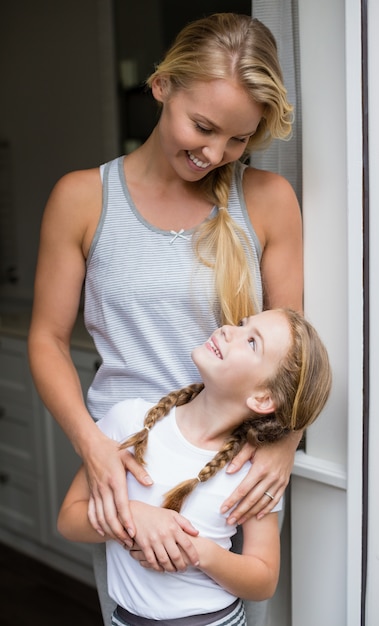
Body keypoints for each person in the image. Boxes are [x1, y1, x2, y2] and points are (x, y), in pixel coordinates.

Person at [28, 12, 304, 626]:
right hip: (128, 475)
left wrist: (283, 446)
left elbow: (294, 354)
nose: (214, 155)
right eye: (202, 127)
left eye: (237, 140)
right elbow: (46, 340)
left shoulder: (266, 201)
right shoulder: (82, 198)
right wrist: (93, 445)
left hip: (232, 478)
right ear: (161, 86)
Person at [58, 309, 332, 626]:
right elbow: (69, 519)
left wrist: (198, 551)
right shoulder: (127, 422)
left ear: (262, 398)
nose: (230, 330)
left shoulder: (253, 471)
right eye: (243, 324)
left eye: (252, 342)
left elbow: (264, 579)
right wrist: (132, 515)